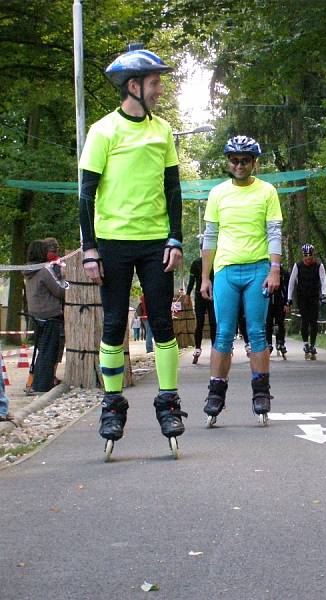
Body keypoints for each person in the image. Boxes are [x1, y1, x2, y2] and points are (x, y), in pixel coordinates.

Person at [78, 47, 186, 457]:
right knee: (112, 325)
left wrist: (175, 238)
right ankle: (111, 406)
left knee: (162, 324)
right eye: (155, 82)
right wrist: (90, 249)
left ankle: (169, 403)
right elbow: (86, 195)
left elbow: (173, 190)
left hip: (156, 242)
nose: (160, 89)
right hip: (112, 244)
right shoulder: (104, 131)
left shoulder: (163, 131)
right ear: (133, 86)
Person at [200, 135, 283, 426]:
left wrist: (275, 269)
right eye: (234, 160)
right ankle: (215, 393)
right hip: (225, 270)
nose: (239, 165)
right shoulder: (218, 193)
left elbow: (274, 232)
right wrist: (204, 277)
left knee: (257, 332)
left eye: (245, 160)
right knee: (222, 333)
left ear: (254, 162)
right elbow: (209, 237)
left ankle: (261, 392)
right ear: (228, 162)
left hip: (258, 268)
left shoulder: (267, 191)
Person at [23, 240, 67, 393]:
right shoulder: (43, 271)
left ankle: (39, 383)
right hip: (50, 314)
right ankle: (42, 385)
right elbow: (59, 291)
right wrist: (67, 283)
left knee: (43, 350)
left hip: (36, 314)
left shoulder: (29, 271)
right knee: (49, 351)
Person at [286, 243, 326, 360]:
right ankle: (305, 344)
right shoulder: (297, 266)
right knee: (305, 320)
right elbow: (291, 282)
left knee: (313, 321)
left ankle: (313, 345)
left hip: (314, 296)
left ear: (313, 255)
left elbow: (324, 281)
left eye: (309, 257)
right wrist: (289, 298)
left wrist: (324, 295)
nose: (307, 259)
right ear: (303, 256)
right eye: (305, 257)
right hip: (302, 296)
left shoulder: (319, 266)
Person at [186, 254, 216, 364]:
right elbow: (191, 280)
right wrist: (188, 295)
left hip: (213, 295)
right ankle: (197, 348)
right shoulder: (196, 263)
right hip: (199, 295)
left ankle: (215, 348)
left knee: (214, 322)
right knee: (200, 322)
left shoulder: (216, 262)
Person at [266, 265, 290, 358]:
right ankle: (268, 343)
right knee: (268, 322)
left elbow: (288, 289)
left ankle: (281, 342)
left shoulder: (284, 274)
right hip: (268, 300)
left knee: (280, 322)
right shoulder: (265, 272)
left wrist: (287, 303)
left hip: (280, 301)